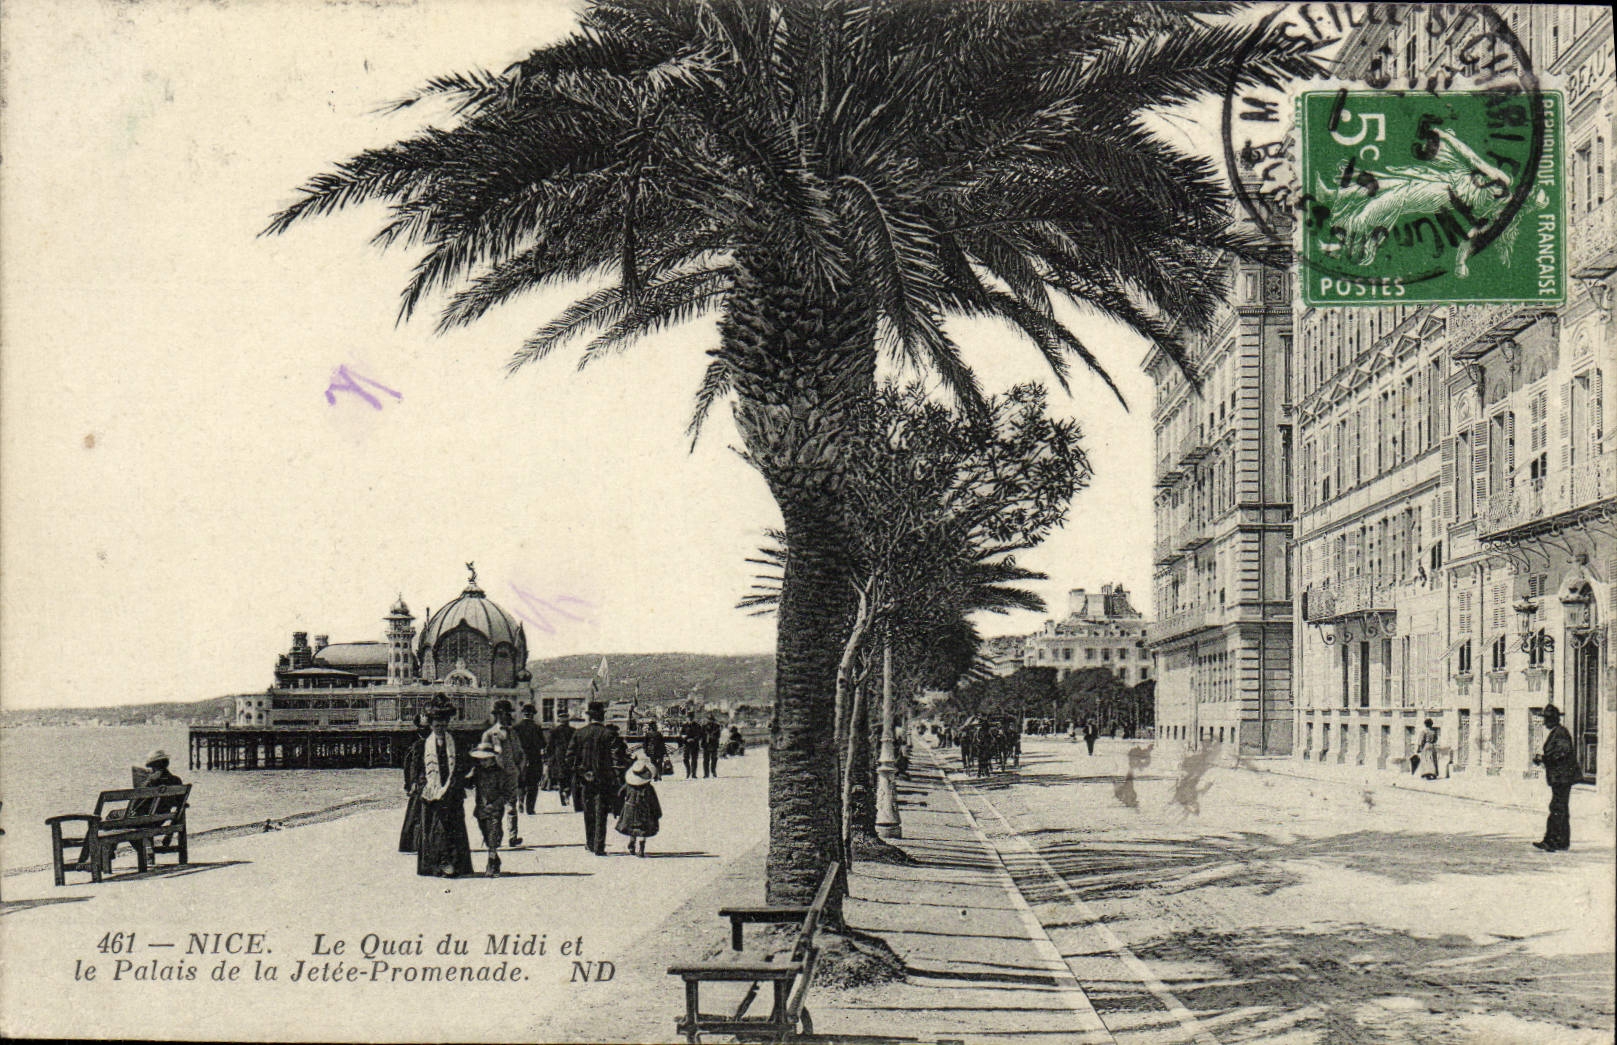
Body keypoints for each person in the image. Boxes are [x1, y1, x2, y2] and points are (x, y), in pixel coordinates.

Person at [416, 700, 474, 878]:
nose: (440, 729)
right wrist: (422, 785)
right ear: (431, 726)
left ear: (448, 724)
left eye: (443, 725)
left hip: (452, 791)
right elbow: (417, 769)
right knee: (436, 828)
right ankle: (438, 864)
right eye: (436, 726)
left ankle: (454, 864)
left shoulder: (457, 742)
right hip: (431, 793)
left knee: (454, 827)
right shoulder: (423, 745)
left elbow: (466, 764)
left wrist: (459, 779)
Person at [568, 702, 622, 855]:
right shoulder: (609, 734)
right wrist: (616, 778)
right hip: (604, 780)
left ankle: (590, 843)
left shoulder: (580, 733)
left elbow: (570, 757)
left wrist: (582, 772)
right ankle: (599, 846)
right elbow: (617, 759)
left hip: (585, 781)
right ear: (602, 716)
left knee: (588, 812)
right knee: (601, 812)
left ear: (589, 717)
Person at [1532, 704, 1580, 852]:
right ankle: (1561, 842)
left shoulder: (1560, 733)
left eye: (1546, 719)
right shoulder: (1557, 732)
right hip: (1560, 777)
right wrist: (1544, 759)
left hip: (1562, 777)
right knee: (1560, 808)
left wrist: (1544, 758)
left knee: (1557, 808)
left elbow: (1562, 753)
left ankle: (1552, 841)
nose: (1544, 722)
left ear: (1552, 719)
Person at [481, 699, 525, 845]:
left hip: (511, 774)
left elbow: (520, 753)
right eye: (506, 714)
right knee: (496, 807)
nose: (509, 717)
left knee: (512, 805)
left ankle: (513, 836)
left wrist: (518, 768)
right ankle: (496, 837)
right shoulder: (489, 734)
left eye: (509, 714)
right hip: (495, 776)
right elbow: (483, 756)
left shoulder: (513, 733)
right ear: (499, 715)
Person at [467, 740, 508, 876]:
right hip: (481, 809)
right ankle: (495, 859)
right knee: (486, 834)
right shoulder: (478, 772)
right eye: (480, 760)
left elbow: (505, 793)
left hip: (495, 809)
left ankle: (491, 863)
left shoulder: (500, 773)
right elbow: (468, 785)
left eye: (485, 760)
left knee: (493, 834)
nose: (482, 762)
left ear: (492, 758)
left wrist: (495, 805)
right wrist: (469, 774)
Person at [615, 750, 662, 857]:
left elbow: (620, 794)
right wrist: (657, 813)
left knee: (631, 828)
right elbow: (654, 801)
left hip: (629, 808)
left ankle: (632, 843)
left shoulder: (628, 786)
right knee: (643, 829)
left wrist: (619, 806)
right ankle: (641, 848)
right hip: (644, 810)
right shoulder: (648, 788)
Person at [399, 713, 431, 853]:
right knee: (417, 812)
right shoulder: (418, 743)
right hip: (420, 780)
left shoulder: (424, 741)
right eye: (422, 727)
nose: (424, 730)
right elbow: (411, 765)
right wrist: (412, 782)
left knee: (418, 812)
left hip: (425, 779)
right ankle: (414, 844)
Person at [514, 704, 546, 815]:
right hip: (534, 759)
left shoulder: (516, 727)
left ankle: (520, 800)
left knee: (520, 782)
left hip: (520, 759)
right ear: (533, 714)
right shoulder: (536, 728)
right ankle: (530, 808)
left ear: (523, 714)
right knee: (533, 783)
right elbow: (542, 744)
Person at [546, 713, 577, 809]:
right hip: (571, 757)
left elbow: (549, 746)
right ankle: (567, 793)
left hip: (558, 757)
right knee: (570, 777)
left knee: (561, 779)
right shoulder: (573, 730)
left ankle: (563, 798)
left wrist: (550, 758)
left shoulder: (554, 731)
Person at [681, 713, 702, 779]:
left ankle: (693, 774)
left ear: (693, 718)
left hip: (694, 744)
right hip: (686, 745)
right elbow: (681, 734)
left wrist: (693, 739)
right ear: (687, 718)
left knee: (694, 759)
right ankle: (688, 771)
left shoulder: (697, 725)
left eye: (691, 717)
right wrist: (685, 739)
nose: (690, 719)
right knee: (685, 759)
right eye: (688, 717)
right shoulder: (684, 725)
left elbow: (699, 735)